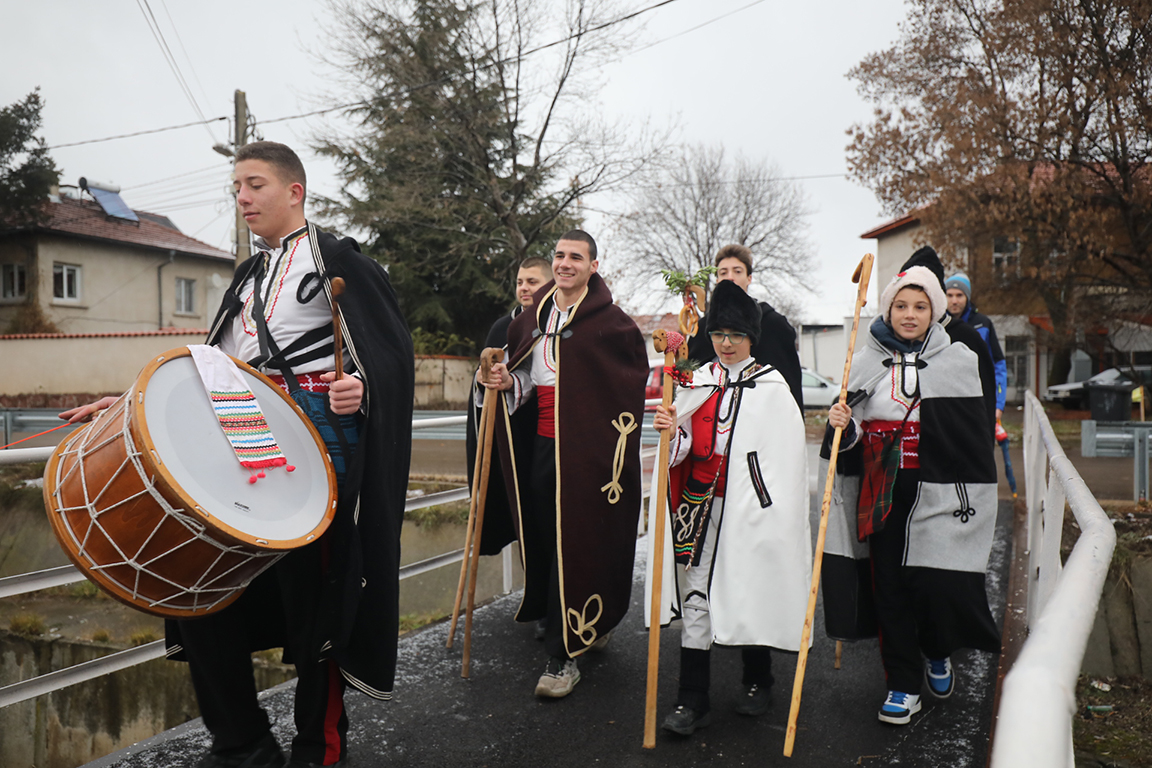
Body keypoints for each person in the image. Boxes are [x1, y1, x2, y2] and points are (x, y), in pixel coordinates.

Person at [61, 141, 414, 768]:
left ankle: (316, 746)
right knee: (198, 583)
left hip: (315, 452)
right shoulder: (249, 275)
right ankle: (241, 739)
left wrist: (363, 388)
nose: (242, 198)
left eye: (254, 185)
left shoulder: (342, 261)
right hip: (238, 439)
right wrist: (125, 403)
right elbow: (216, 367)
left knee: (318, 598)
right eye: (237, 188)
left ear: (294, 192)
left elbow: (390, 358)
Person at [820, 259, 1000, 727]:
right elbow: (849, 440)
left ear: (935, 310)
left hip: (940, 488)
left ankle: (938, 651)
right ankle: (902, 683)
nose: (909, 313)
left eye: (921, 305)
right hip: (883, 489)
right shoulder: (862, 363)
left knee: (936, 584)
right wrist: (843, 426)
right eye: (901, 305)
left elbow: (971, 435)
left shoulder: (958, 359)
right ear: (889, 309)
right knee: (892, 588)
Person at [479, 230, 648, 697]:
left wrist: (602, 443)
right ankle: (565, 634)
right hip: (542, 449)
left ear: (594, 266)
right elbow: (525, 387)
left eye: (576, 256)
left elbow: (627, 390)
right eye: (559, 255)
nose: (564, 263)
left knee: (584, 544)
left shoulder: (614, 326)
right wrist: (500, 380)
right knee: (548, 541)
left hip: (592, 460)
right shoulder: (532, 321)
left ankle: (563, 655)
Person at [649, 280, 810, 736]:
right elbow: (680, 453)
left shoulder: (772, 387)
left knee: (748, 586)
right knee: (696, 594)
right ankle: (691, 698)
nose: (725, 342)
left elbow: (784, 458)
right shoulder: (696, 381)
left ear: (751, 338)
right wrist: (671, 430)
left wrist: (762, 496)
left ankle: (758, 681)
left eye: (735, 335)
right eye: (719, 333)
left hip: (751, 507)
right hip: (700, 505)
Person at [686, 244, 803, 411]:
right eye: (723, 272)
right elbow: (690, 381)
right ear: (717, 279)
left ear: (749, 278)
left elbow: (788, 387)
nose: (730, 277)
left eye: (738, 271)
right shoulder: (703, 327)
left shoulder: (773, 324)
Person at [945, 271, 1008, 421]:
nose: (954, 301)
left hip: (981, 400)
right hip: (949, 402)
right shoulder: (937, 326)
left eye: (959, 295)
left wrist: (998, 405)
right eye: (950, 295)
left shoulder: (983, 324)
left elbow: (998, 364)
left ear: (967, 297)